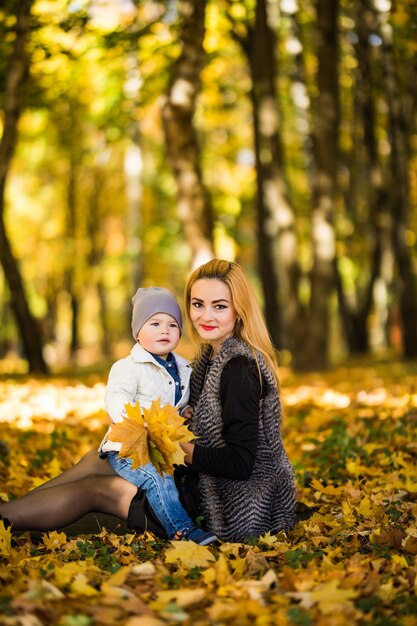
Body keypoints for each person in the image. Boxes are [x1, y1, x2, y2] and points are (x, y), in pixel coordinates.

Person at [0, 259, 296, 543]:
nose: (205, 316)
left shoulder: (238, 370)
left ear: (239, 310)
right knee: (95, 459)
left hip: (225, 502)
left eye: (219, 306)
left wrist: (170, 445)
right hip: (198, 477)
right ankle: (8, 516)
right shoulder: (208, 359)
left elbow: (240, 464)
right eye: (197, 304)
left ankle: (8, 520)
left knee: (98, 490)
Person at [99, 286, 216, 545]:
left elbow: (177, 404)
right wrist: (137, 423)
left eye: (172, 325)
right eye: (154, 323)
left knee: (179, 474)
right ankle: (181, 529)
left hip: (163, 445)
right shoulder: (128, 367)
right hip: (129, 446)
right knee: (157, 477)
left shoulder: (185, 367)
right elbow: (116, 398)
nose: (164, 330)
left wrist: (185, 412)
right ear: (137, 332)